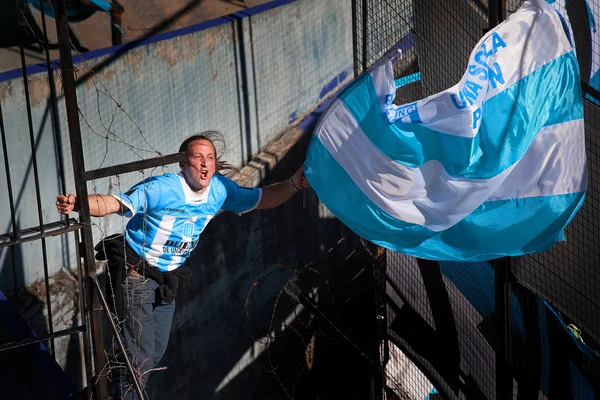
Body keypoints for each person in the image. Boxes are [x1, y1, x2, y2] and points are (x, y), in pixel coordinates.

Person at [56, 131, 309, 399]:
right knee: (139, 358)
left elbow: (262, 198)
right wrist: (77, 203)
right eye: (198, 157)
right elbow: (115, 203)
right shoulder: (162, 188)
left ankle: (95, 394)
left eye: (210, 158)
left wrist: (294, 183)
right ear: (183, 163)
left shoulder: (221, 190)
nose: (204, 163)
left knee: (153, 353)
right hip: (136, 274)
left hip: (167, 279)